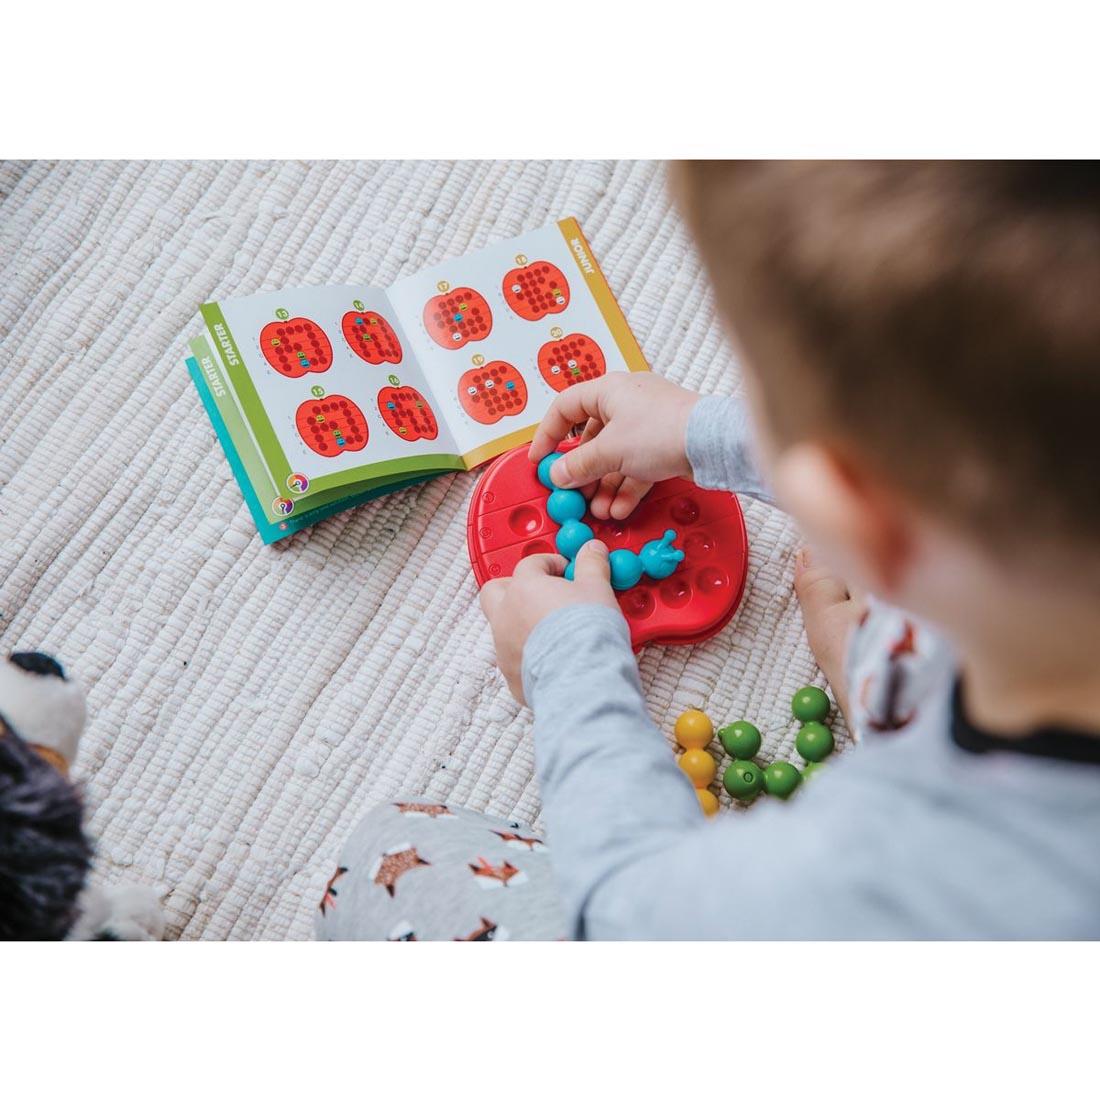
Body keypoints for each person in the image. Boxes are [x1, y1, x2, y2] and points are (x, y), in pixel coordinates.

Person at [316, 162, 1100, 940]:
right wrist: (707, 432)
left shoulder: (861, 879)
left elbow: (632, 912)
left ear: (864, 524)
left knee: (390, 855)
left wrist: (568, 668)